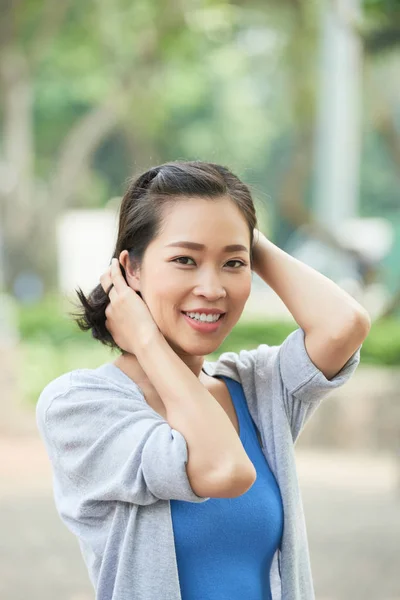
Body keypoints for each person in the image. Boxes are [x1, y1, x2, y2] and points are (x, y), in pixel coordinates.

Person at [36, 160, 371, 600]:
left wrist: (240, 230)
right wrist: (145, 340)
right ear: (130, 270)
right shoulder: (79, 406)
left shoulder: (254, 389)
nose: (212, 288)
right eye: (184, 259)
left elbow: (344, 326)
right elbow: (223, 469)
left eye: (233, 263)